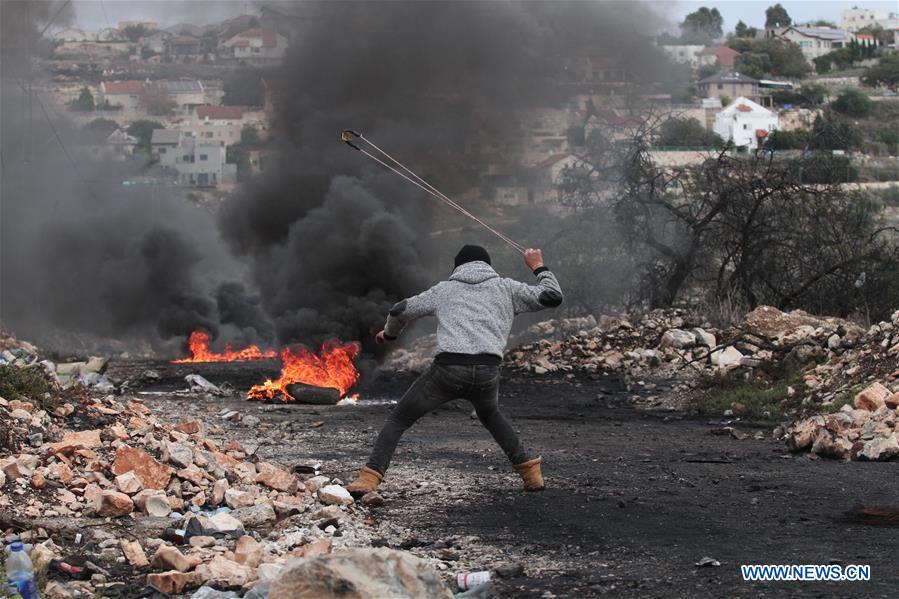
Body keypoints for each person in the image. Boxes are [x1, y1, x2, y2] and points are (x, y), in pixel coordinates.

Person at [347, 244, 563, 496]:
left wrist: (390, 334)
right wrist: (537, 265)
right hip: (488, 372)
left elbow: (399, 310)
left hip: (448, 371)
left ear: (457, 267)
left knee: (399, 419)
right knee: (491, 416)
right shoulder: (507, 288)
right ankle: (530, 473)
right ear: (488, 266)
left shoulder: (445, 289)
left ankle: (369, 479)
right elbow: (553, 296)